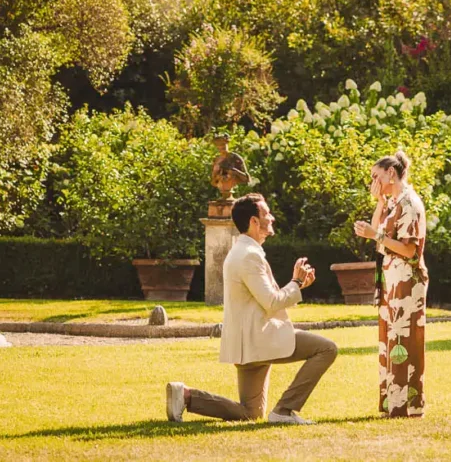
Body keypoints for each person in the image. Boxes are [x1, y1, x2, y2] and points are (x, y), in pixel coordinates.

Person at [166, 193, 338, 426]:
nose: (272, 218)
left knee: (250, 413)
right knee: (326, 349)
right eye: (267, 214)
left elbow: (266, 298)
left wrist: (297, 284)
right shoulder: (249, 256)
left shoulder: (244, 252)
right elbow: (271, 301)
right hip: (259, 340)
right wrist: (296, 283)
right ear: (254, 222)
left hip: (248, 344)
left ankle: (186, 395)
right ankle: (285, 410)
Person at [354, 150, 427, 417]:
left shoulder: (409, 203)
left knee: (404, 340)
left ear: (391, 173)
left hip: (408, 283)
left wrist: (377, 235)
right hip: (392, 281)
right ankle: (393, 403)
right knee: (391, 340)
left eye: (376, 176)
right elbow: (377, 236)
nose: (373, 181)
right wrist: (379, 202)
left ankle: (407, 405)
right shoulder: (394, 202)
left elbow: (409, 250)